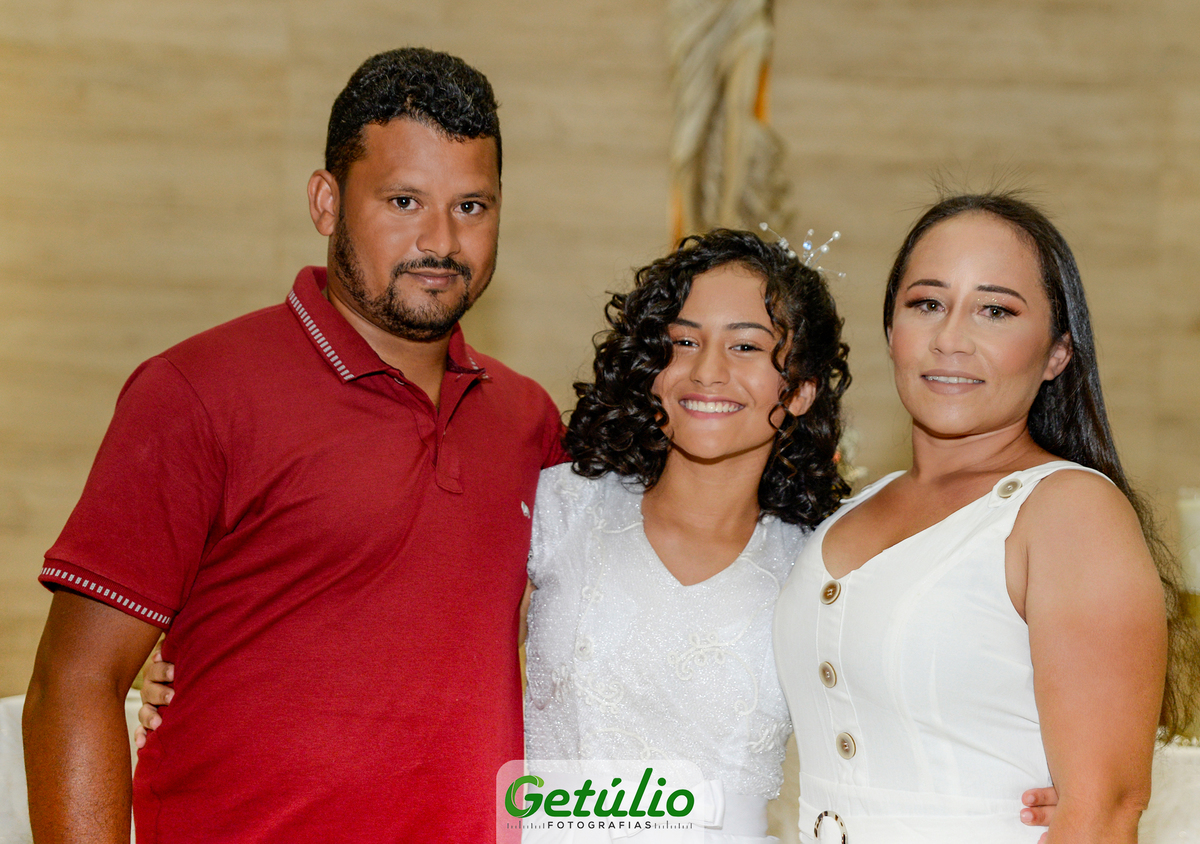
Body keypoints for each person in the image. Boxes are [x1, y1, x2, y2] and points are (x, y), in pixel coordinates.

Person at [22, 48, 564, 843]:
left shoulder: (527, 421)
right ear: (326, 201)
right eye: (404, 200)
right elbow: (74, 683)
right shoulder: (196, 391)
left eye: (472, 206)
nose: (441, 241)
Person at [774, 192, 1199, 843]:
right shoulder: (848, 512)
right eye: (927, 304)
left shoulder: (1068, 511)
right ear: (890, 331)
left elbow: (1102, 811)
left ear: (1057, 353)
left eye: (995, 310)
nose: (950, 339)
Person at [522, 228, 850, 842]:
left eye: (746, 347)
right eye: (684, 342)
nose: (707, 372)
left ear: (803, 389)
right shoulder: (561, 509)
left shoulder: (822, 568)